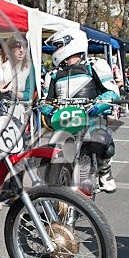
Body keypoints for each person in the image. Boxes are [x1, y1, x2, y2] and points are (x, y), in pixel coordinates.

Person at [42, 28, 121, 192]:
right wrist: (49, 109)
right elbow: (45, 100)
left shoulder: (94, 65)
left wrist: (97, 104)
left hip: (90, 119)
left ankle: (105, 171)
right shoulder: (54, 74)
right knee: (46, 155)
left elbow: (112, 91)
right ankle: (46, 191)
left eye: (58, 46)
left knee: (104, 142)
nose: (55, 50)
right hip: (63, 122)